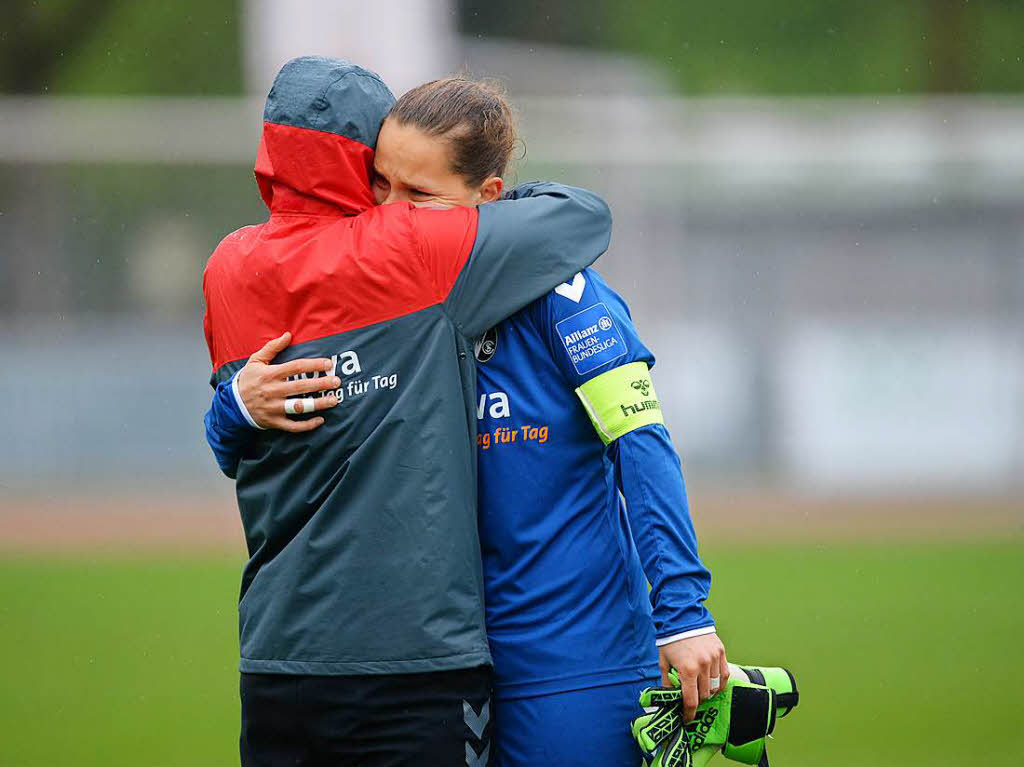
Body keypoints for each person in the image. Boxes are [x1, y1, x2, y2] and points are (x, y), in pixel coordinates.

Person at [210, 76, 725, 767]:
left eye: (418, 195)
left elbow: (642, 441)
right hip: (444, 670)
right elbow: (255, 441)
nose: (391, 213)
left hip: (570, 665)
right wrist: (234, 403)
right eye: (380, 186)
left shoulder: (564, 291)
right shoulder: (379, 294)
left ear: (488, 200)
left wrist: (684, 613)